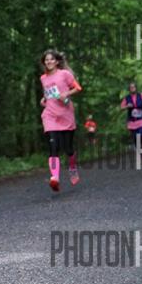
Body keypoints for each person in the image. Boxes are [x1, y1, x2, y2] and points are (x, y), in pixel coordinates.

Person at [39, 49, 82, 192]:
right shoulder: (43, 78)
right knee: (53, 147)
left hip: (65, 114)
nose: (49, 62)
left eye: (51, 59)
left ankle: (72, 167)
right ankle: (55, 178)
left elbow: (77, 88)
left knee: (68, 148)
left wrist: (66, 93)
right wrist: (44, 99)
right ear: (44, 62)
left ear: (57, 61)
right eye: (46, 60)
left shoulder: (64, 74)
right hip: (50, 115)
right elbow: (48, 93)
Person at [120, 82, 142, 152]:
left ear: (136, 88)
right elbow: (121, 107)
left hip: (141, 119)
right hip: (132, 121)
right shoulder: (126, 98)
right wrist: (127, 106)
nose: (132, 88)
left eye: (133, 87)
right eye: (131, 87)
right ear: (129, 89)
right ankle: (138, 149)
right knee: (135, 136)